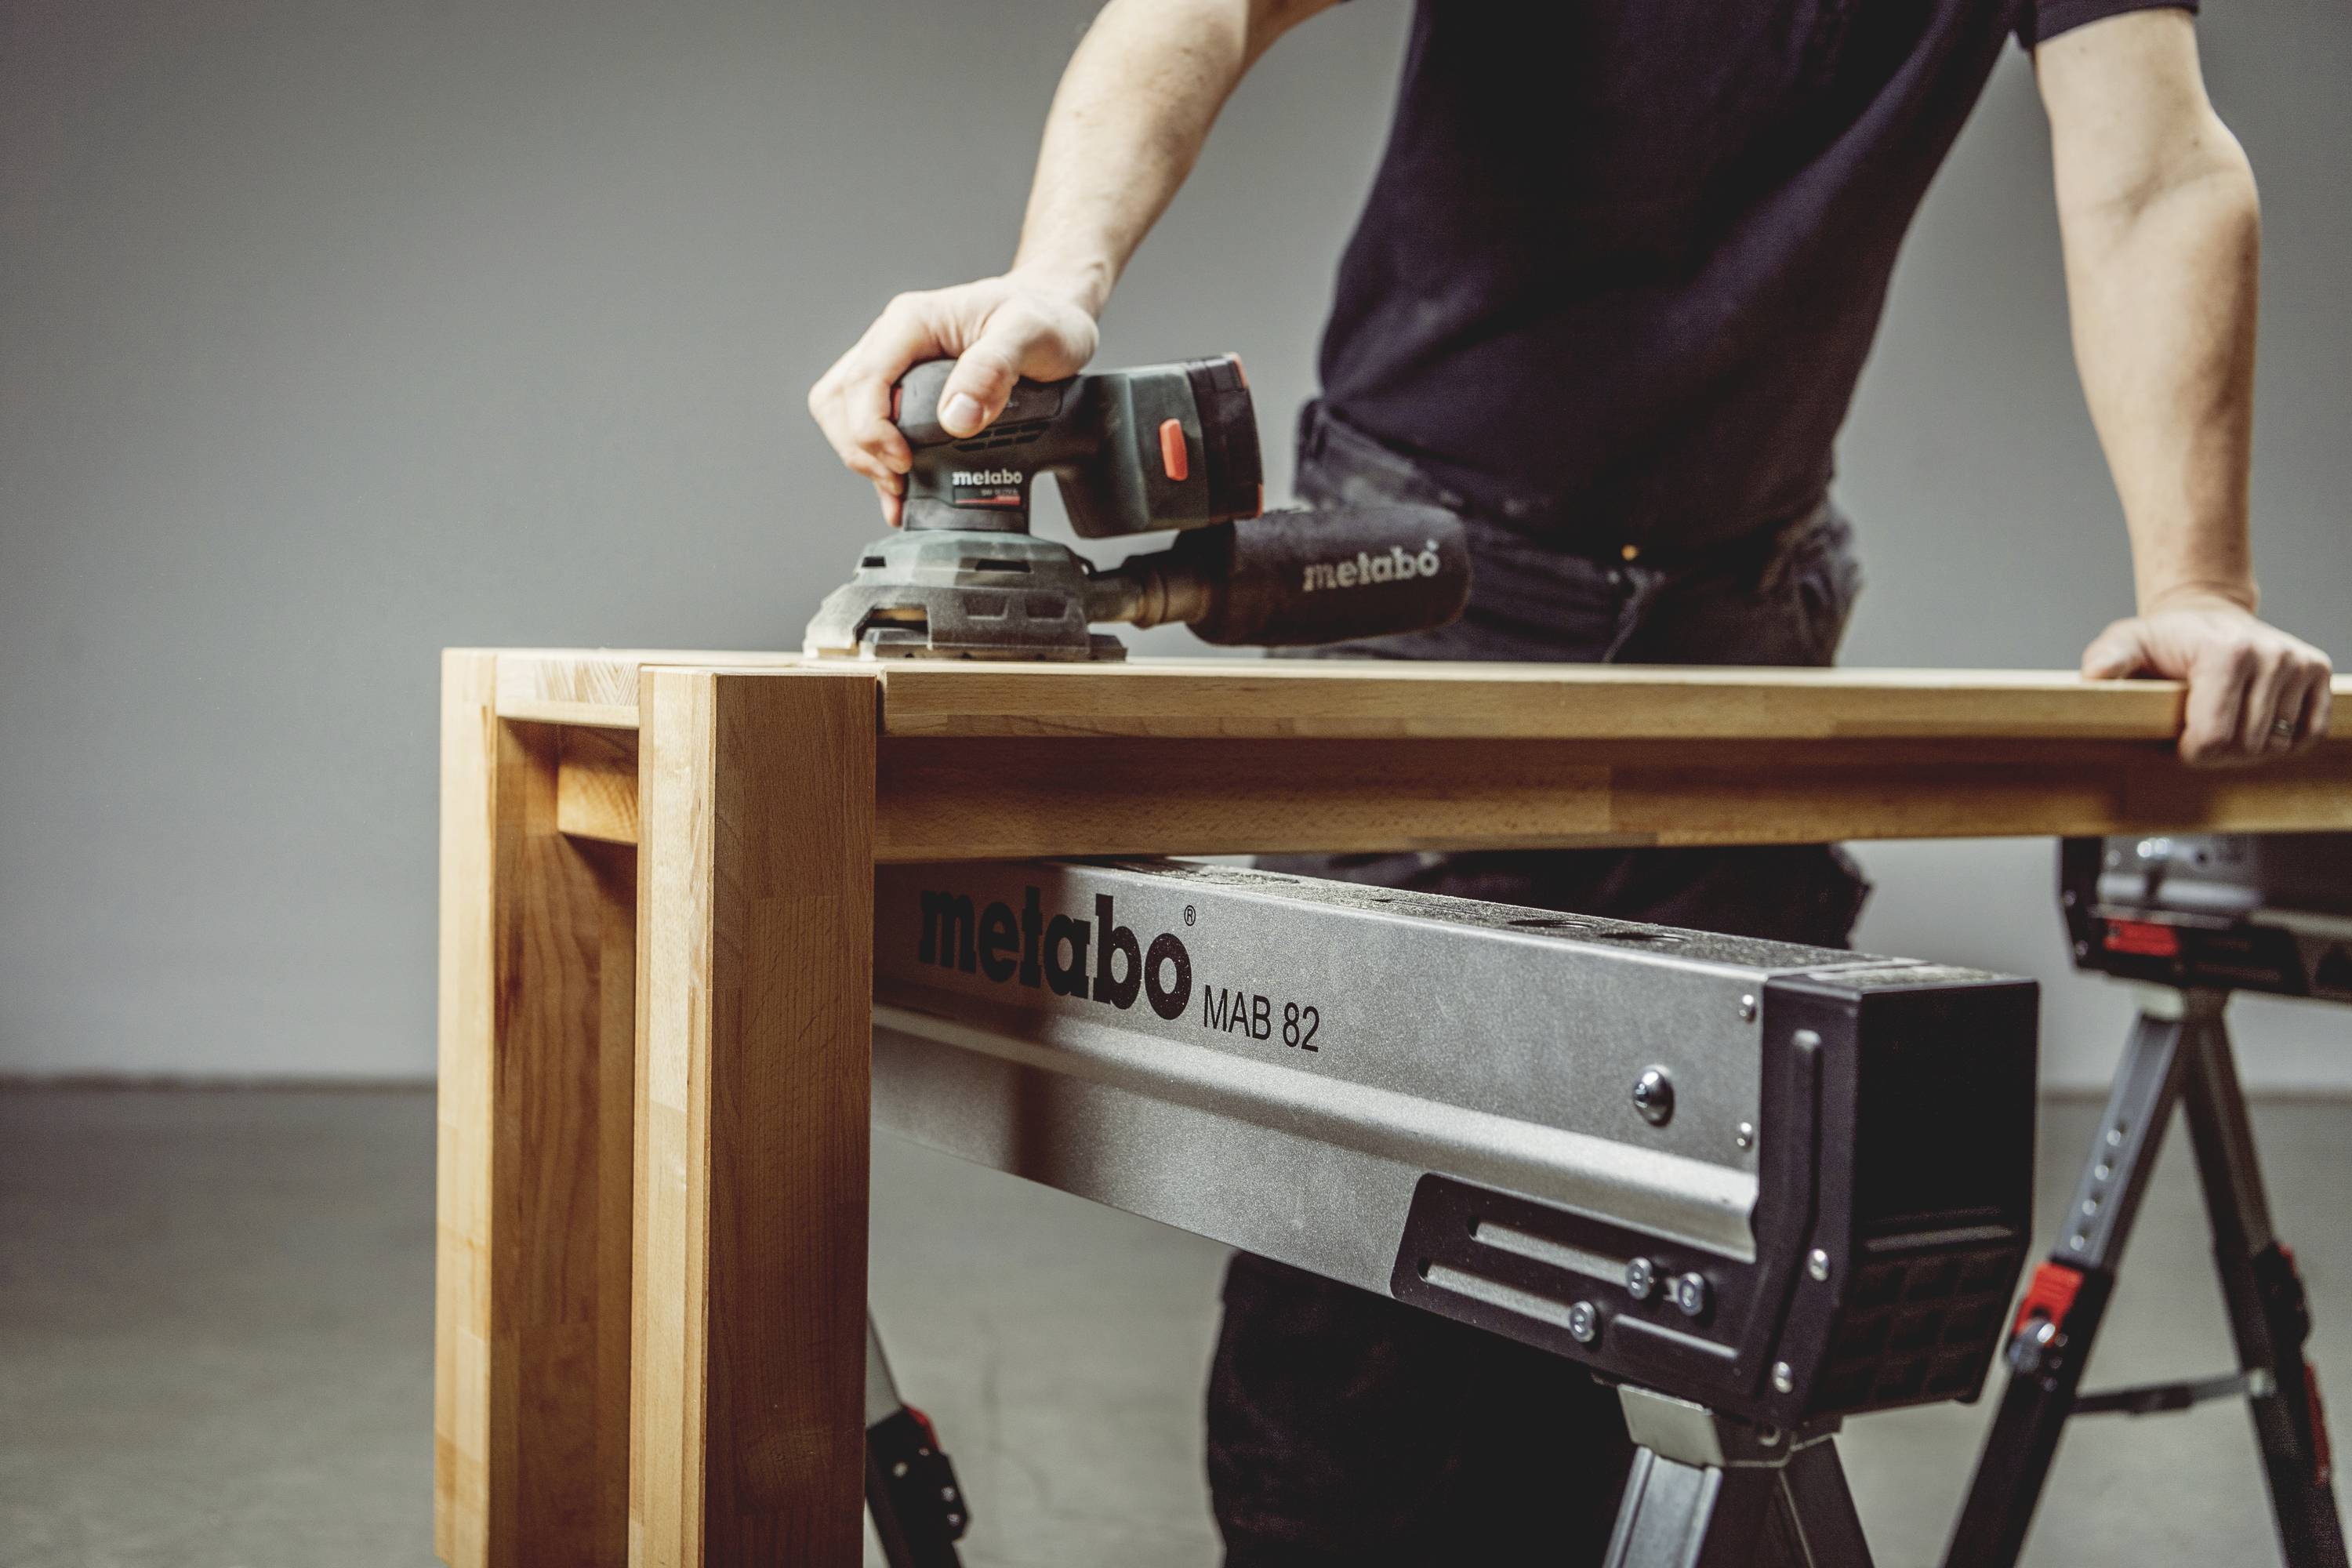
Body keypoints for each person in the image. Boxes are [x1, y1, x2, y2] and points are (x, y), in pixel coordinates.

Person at [809, 2, 2336, 1561]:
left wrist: (2197, 580)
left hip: (1741, 617)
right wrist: (1059, 275)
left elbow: (2152, 170)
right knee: (1361, 1410)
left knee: (1706, 1337)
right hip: (1430, 581)